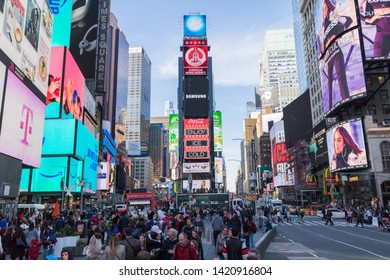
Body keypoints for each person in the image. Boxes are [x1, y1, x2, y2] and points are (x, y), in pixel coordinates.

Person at [321, 0, 352, 111]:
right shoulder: (324, 24)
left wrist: (336, 35)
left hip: (336, 52)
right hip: (328, 57)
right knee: (328, 87)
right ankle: (329, 109)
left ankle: (347, 103)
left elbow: (349, 21)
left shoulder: (334, 19)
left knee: (341, 80)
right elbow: (323, 43)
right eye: (323, 9)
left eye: (326, 8)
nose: (325, 11)